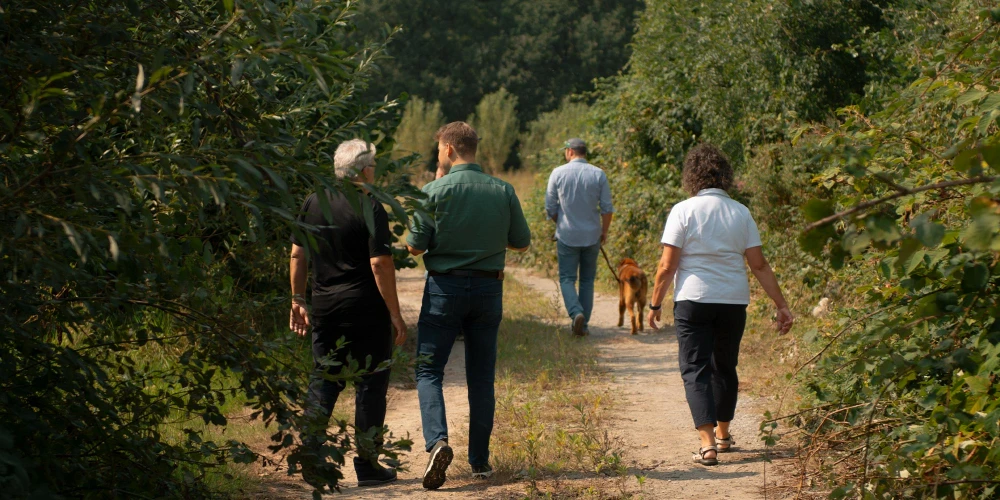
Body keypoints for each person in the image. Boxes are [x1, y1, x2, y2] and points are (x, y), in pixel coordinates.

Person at [646, 143, 793, 467]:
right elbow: (759, 265)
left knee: (695, 369)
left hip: (693, 301)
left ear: (692, 177)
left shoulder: (683, 211)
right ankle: (725, 435)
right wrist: (781, 305)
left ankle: (708, 444)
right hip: (732, 301)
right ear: (724, 175)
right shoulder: (740, 212)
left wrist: (655, 304)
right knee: (724, 367)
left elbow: (667, 266)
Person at [406, 121, 531, 490]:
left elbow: (415, 246)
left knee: (429, 370)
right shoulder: (503, 190)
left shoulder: (432, 191)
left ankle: (438, 442)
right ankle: (480, 462)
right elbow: (521, 243)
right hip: (488, 290)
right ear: (473, 147)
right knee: (481, 377)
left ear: (447, 149)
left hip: (445, 289)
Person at [289, 139, 408, 486]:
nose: (375, 172)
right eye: (373, 166)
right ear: (363, 170)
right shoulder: (371, 206)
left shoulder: (313, 202)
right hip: (366, 311)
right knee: (370, 385)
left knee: (323, 382)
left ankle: (312, 458)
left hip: (325, 308)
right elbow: (380, 263)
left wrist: (297, 299)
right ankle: (368, 466)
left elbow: (298, 255)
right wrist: (396, 315)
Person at [545, 138, 614, 336]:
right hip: (592, 234)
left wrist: (560, 222)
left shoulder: (557, 173)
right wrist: (604, 231)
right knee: (587, 281)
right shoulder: (598, 174)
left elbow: (550, 207)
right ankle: (583, 326)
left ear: (569, 152)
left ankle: (576, 313)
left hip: (567, 234)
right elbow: (607, 208)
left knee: (567, 278)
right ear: (584, 152)